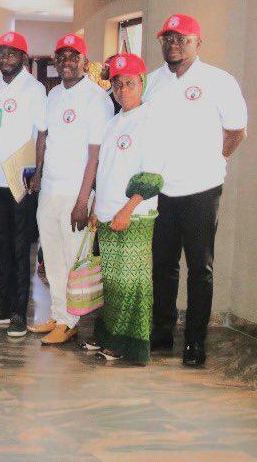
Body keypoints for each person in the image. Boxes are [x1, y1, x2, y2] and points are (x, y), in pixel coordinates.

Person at [144, 14, 247, 367]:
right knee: (163, 265)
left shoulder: (219, 81)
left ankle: (194, 342)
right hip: (161, 190)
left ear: (197, 42)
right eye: (168, 38)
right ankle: (161, 334)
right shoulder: (151, 82)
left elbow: (237, 130)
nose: (173, 44)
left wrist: (215, 159)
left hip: (202, 189)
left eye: (182, 38)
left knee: (200, 268)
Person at [31, 34, 113, 345]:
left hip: (75, 193)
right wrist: (38, 175)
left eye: (73, 56)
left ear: (84, 61)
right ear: (55, 61)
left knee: (71, 260)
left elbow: (95, 154)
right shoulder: (53, 95)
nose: (67, 62)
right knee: (52, 258)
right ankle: (57, 314)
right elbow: (45, 138)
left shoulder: (97, 99)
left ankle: (70, 322)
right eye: (62, 56)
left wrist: (83, 200)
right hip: (50, 190)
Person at [85, 53, 167, 363]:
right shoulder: (114, 122)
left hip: (133, 216)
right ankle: (108, 336)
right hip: (108, 215)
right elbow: (105, 170)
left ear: (142, 83)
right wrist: (96, 207)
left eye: (129, 84)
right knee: (112, 281)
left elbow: (153, 175)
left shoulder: (151, 120)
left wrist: (127, 210)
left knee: (132, 283)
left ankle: (128, 345)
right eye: (117, 85)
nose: (122, 91)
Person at [0, 32, 46, 338]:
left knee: (19, 249)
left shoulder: (34, 88)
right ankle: (0, 307)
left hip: (20, 177)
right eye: (1, 53)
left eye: (11, 53)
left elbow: (42, 132)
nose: (4, 58)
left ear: (23, 58)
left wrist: (37, 173)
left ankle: (18, 312)